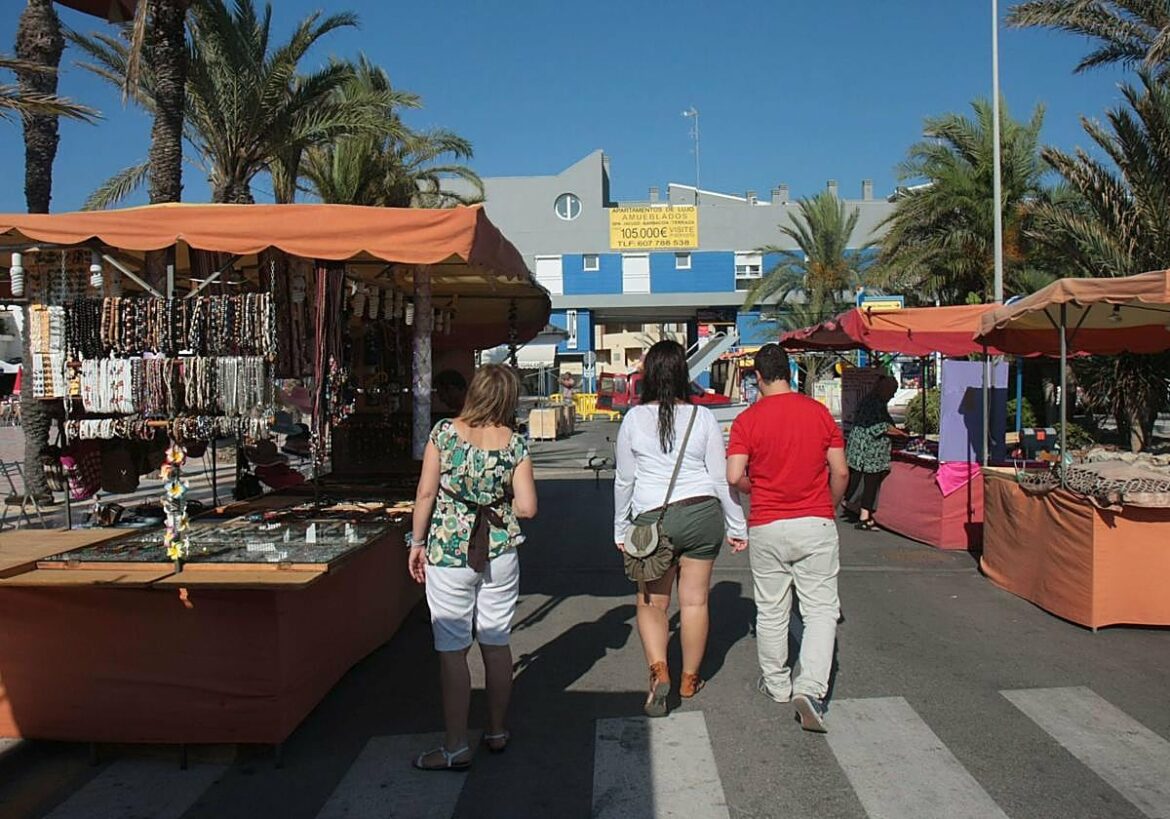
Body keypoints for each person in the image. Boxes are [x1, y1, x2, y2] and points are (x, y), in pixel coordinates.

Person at [408, 364, 538, 770]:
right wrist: (499, 503)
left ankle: (455, 746)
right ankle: (496, 731)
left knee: (452, 650)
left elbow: (427, 491)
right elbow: (528, 508)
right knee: (496, 643)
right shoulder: (515, 444)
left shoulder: (444, 434)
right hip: (499, 552)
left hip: (449, 553)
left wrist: (416, 542)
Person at [613, 340, 747, 718]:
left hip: (654, 517)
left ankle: (659, 672)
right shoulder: (703, 418)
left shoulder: (633, 420)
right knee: (695, 601)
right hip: (703, 513)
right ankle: (690, 677)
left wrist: (620, 529)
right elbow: (720, 480)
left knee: (652, 602)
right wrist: (738, 524)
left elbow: (624, 481)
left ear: (649, 376)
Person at [726, 343, 849, 733]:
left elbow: (733, 476)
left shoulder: (748, 420)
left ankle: (777, 684)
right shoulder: (819, 414)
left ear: (757, 377)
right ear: (790, 372)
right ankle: (810, 687)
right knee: (820, 609)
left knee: (772, 608)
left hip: (767, 524)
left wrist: (753, 486)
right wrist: (827, 505)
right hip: (815, 521)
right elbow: (841, 472)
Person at [842, 375, 906, 530]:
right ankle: (864, 517)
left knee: (867, 482)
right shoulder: (874, 403)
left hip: (865, 450)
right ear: (883, 389)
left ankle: (863, 515)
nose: (892, 395)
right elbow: (881, 427)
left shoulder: (872, 400)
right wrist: (902, 434)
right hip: (870, 451)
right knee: (870, 482)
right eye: (892, 391)